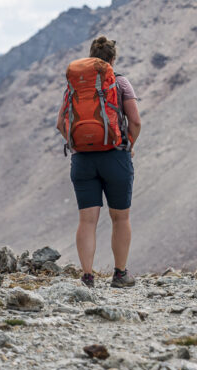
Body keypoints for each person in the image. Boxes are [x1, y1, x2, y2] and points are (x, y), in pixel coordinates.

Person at [58, 36, 141, 288]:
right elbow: (135, 122)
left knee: (87, 220)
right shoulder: (121, 82)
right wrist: (129, 145)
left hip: (82, 160)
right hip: (116, 156)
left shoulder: (75, 86)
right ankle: (120, 274)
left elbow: (61, 124)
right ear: (112, 60)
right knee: (120, 218)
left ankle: (87, 276)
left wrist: (77, 145)